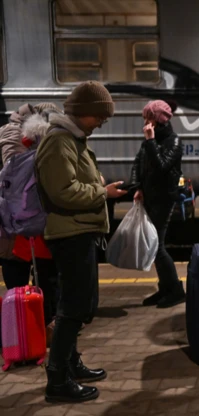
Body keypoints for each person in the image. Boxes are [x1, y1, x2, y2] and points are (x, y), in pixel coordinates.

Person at [36, 81, 128, 403]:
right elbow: (63, 191)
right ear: (84, 112)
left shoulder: (73, 140)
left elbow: (75, 181)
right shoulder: (59, 142)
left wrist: (100, 184)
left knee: (80, 305)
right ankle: (58, 379)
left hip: (79, 231)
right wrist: (104, 192)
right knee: (73, 307)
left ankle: (70, 364)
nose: (102, 122)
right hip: (69, 233)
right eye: (99, 116)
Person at [0, 103, 60, 301]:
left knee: (15, 286)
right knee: (47, 280)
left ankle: (18, 324)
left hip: (9, 224)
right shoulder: (45, 143)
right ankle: (46, 324)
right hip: (39, 224)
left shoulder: (5, 136)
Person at [131, 100, 185, 309]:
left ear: (159, 121)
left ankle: (175, 290)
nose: (145, 122)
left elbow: (162, 166)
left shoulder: (174, 141)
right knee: (154, 247)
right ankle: (165, 288)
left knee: (157, 247)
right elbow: (138, 164)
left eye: (149, 118)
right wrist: (138, 187)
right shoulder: (149, 142)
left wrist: (151, 141)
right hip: (149, 198)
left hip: (164, 198)